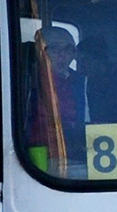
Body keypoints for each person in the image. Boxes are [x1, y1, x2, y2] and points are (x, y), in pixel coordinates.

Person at [25, 25, 87, 172]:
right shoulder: (28, 83)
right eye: (54, 48)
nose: (62, 55)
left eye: (68, 49)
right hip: (41, 158)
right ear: (40, 52)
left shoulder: (83, 83)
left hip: (80, 156)